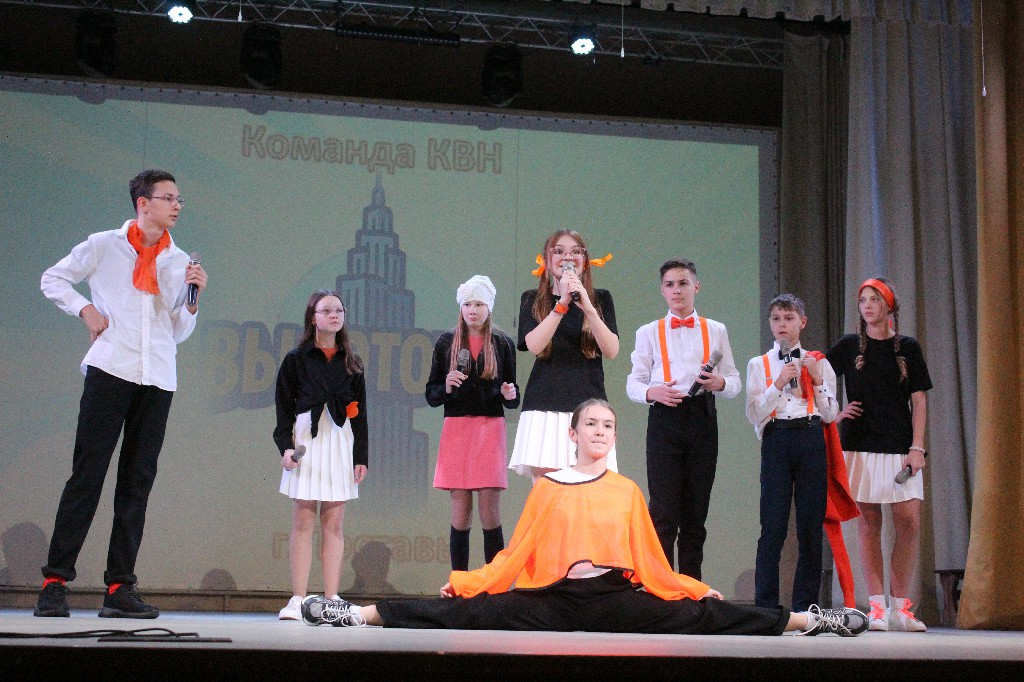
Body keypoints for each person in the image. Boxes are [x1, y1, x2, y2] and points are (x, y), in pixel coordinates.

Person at [300, 399, 867, 637]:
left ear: (613, 437)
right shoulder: (549, 487)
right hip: (553, 599)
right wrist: (473, 583)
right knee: (466, 613)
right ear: (573, 434)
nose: (600, 431)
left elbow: (650, 560)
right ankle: (354, 613)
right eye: (591, 424)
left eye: (608, 426)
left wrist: (691, 588)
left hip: (615, 598)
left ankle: (812, 621)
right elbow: (517, 553)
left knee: (709, 615)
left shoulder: (625, 490)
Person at [35, 169, 207, 619]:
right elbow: (53, 278)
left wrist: (192, 300)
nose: (177, 205)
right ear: (143, 203)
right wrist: (85, 308)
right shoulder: (104, 245)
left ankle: (119, 587)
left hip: (158, 378)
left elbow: (177, 331)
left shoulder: (179, 261)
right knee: (87, 476)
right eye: (168, 198)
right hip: (111, 369)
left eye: (179, 199)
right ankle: (55, 583)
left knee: (137, 483)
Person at [826, 277, 932, 632]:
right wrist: (834, 413)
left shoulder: (908, 348)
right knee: (869, 523)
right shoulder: (849, 346)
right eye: (863, 300)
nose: (867, 306)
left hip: (900, 445)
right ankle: (876, 607)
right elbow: (817, 375)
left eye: (874, 299)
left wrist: (917, 448)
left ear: (889, 306)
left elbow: (919, 400)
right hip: (860, 444)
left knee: (908, 521)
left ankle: (901, 608)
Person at [626, 258, 740, 579]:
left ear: (696, 287)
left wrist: (719, 383)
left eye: (683, 283)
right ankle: (662, 589)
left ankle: (691, 590)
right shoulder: (648, 332)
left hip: (702, 417)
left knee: (695, 514)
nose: (677, 290)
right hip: (665, 419)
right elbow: (634, 382)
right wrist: (653, 392)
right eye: (670, 285)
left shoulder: (716, 330)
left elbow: (733, 380)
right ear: (662, 291)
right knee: (663, 513)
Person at [273, 290, 368, 620]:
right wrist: (285, 448)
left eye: (339, 310)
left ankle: (331, 598)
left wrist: (361, 456)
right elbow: (284, 409)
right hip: (306, 440)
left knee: (334, 522)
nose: (334, 315)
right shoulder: (296, 359)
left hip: (339, 441)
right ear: (312, 317)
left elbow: (360, 414)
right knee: (303, 520)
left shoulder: (351, 361)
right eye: (327, 310)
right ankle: (298, 598)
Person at [745, 294, 841, 613]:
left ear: (803, 322)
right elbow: (754, 413)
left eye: (788, 318)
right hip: (777, 439)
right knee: (772, 527)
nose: (782, 325)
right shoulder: (759, 364)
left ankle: (805, 607)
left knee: (810, 528)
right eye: (776, 319)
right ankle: (766, 607)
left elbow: (831, 414)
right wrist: (778, 384)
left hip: (810, 437)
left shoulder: (818, 362)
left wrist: (818, 381)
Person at [425, 275, 520, 571]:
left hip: (490, 429)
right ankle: (460, 580)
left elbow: (513, 395)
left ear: (489, 307)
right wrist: (446, 386)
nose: (473, 310)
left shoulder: (502, 343)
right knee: (460, 508)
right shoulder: (446, 343)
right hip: (456, 429)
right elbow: (431, 394)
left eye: (479, 304)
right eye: (468, 304)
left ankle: (494, 581)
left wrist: (510, 393)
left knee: (490, 509)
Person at [509, 230, 618, 483]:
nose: (567, 257)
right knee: (547, 494)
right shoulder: (533, 299)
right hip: (544, 406)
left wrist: (588, 307)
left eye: (575, 252)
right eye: (559, 251)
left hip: (588, 406)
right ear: (548, 261)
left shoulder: (600, 298)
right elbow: (534, 345)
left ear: (585, 260)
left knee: (591, 491)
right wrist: (562, 304)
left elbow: (611, 350)